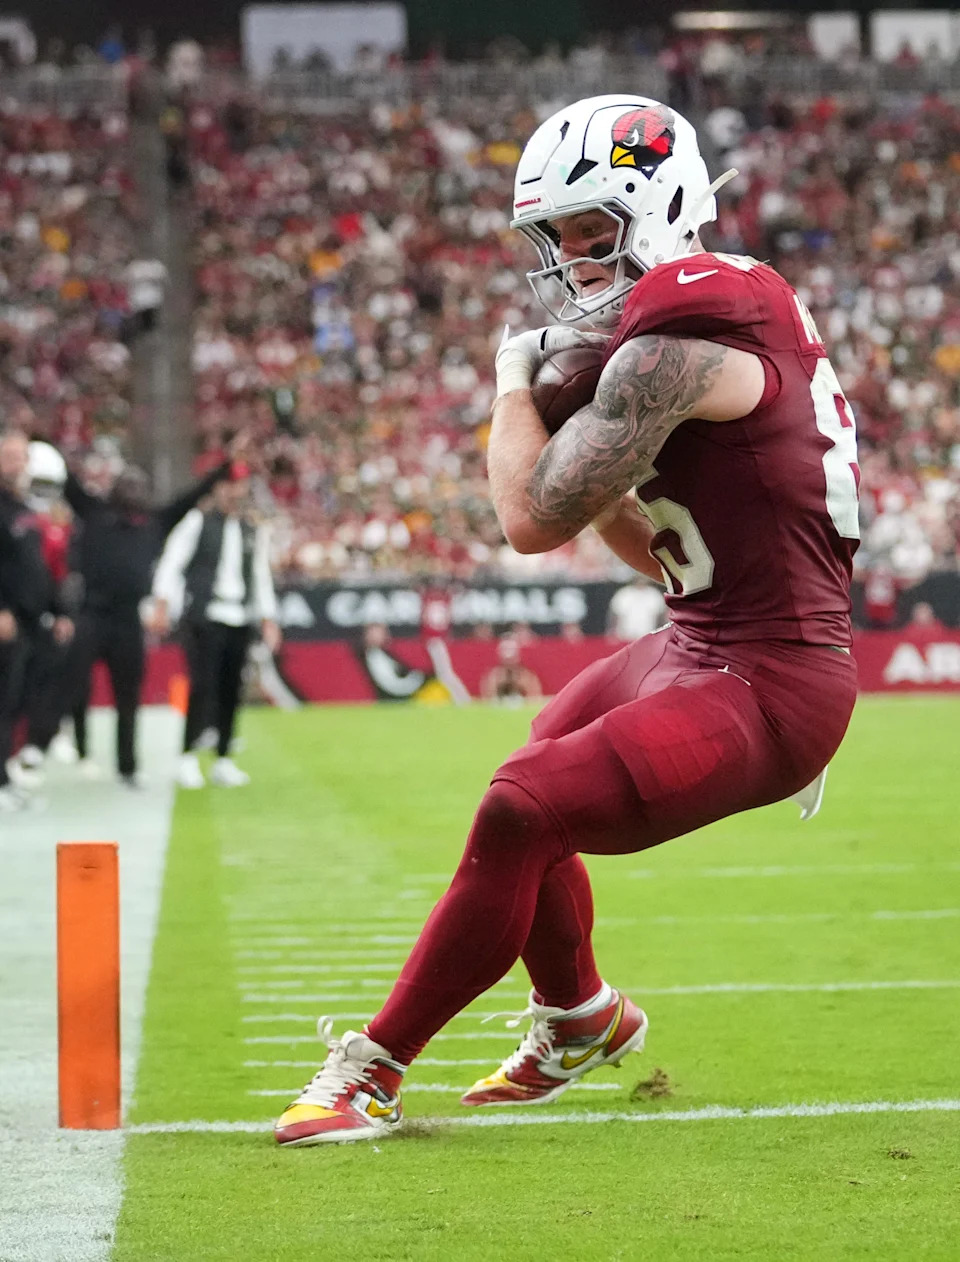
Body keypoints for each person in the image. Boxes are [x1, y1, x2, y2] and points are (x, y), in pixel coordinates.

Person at [273, 94, 860, 1147]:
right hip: (707, 637)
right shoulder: (694, 334)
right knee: (536, 764)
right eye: (563, 243)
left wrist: (511, 378)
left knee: (520, 807)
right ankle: (582, 1015)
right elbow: (652, 532)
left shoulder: (673, 347)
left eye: (595, 236)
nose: (578, 265)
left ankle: (374, 1066)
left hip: (769, 672)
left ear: (664, 206)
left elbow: (526, 518)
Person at [63, 449, 238, 786]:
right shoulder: (94, 513)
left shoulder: (155, 524)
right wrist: (38, 438)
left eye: (138, 486)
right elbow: (68, 484)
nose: (133, 492)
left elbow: (190, 498)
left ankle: (127, 766)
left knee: (128, 696)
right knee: (74, 683)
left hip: (128, 619)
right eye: (127, 485)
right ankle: (77, 746)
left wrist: (224, 469)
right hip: (91, 614)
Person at [151, 469, 280, 789]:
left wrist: (268, 619)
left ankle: (223, 756)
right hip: (207, 614)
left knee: (231, 689)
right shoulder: (198, 522)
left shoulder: (253, 529)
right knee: (202, 685)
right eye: (228, 486)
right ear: (218, 489)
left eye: (239, 486)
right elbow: (172, 562)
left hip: (240, 614)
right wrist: (163, 602)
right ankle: (188, 755)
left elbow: (260, 575)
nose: (234, 493)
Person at [0, 432, 73, 811]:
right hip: (5, 620)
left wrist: (58, 610)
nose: (18, 464)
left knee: (13, 703)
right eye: (10, 456)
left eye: (22, 457)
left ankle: (4, 775)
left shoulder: (21, 509)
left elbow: (36, 569)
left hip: (27, 623)